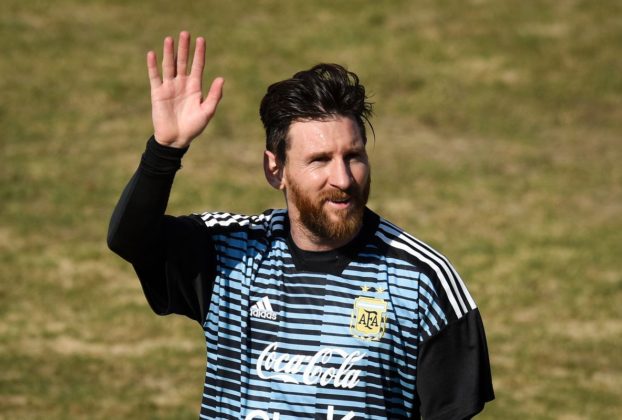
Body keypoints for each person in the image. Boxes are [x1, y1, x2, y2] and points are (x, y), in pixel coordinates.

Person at [108, 31, 494, 420]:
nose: (343, 178)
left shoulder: (421, 280)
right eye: (319, 160)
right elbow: (131, 240)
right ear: (275, 170)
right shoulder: (229, 255)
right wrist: (166, 150)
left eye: (353, 156)